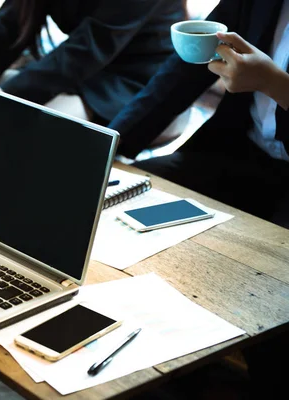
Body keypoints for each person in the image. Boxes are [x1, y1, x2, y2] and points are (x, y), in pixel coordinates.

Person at [108, 0, 289, 397]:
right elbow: (178, 76)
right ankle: (168, 361)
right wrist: (109, 147)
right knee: (130, 193)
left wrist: (276, 84)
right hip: (242, 154)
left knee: (277, 288)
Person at [0, 0, 186, 125]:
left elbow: (87, 48)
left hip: (137, 79)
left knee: (33, 129)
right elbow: (8, 25)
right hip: (83, 67)